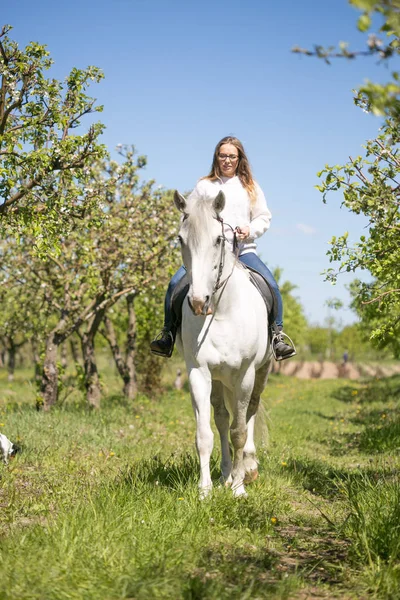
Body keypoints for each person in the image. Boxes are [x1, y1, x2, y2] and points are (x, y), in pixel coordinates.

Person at [150, 135, 296, 361]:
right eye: (223, 155)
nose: (227, 160)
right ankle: (168, 334)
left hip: (242, 251)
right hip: (207, 254)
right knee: (173, 285)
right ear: (216, 157)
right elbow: (189, 215)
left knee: (272, 285)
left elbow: (264, 217)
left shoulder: (250, 187)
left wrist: (249, 229)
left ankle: (277, 336)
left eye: (232, 156)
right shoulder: (204, 186)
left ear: (239, 159)